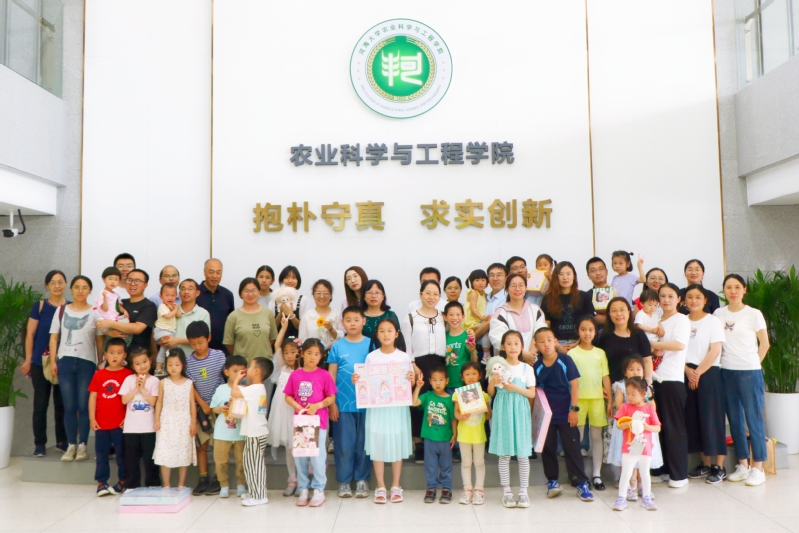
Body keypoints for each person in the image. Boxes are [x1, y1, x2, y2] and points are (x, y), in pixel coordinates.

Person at [714, 273, 770, 487]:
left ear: (744, 289)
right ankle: (743, 465)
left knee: (753, 418)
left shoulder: (753, 314)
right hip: (726, 371)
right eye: (728, 287)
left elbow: (765, 343)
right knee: (735, 419)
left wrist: (753, 363)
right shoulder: (719, 313)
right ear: (724, 290)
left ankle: (758, 468)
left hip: (749, 371)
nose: (733, 291)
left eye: (737, 287)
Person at [533, 328, 595, 503]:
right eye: (541, 341)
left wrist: (573, 410)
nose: (546, 344)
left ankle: (580, 483)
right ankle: (552, 481)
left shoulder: (565, 360)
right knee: (548, 449)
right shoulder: (537, 367)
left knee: (572, 448)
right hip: (547, 417)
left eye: (549, 340)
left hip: (567, 413)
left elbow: (574, 386)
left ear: (555, 342)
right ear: (536, 345)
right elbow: (536, 392)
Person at [358, 317, 414, 503]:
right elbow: (366, 381)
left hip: (397, 408)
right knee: (378, 443)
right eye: (382, 331)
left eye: (390, 330)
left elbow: (408, 383)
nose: (386, 334)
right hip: (378, 409)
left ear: (396, 334)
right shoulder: (372, 357)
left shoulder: (404, 357)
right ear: (377, 334)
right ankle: (380, 486)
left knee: (397, 442)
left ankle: (396, 485)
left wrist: (412, 379)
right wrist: (358, 380)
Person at [49, 275, 102, 463]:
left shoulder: (95, 312)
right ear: (71, 289)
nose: (80, 291)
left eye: (85, 287)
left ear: (90, 290)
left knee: (84, 405)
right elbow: (54, 337)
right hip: (64, 361)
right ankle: (71, 444)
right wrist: (54, 361)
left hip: (87, 363)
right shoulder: (62, 310)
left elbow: (99, 339)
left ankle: (83, 445)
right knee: (69, 406)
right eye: (77, 287)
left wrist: (100, 362)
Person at [283, 338, 337, 507]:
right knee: (300, 456)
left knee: (317, 456)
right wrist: (296, 405)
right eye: (309, 353)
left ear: (321, 356)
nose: (313, 357)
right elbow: (288, 396)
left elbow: (331, 397)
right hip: (301, 421)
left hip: (318, 422)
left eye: (316, 354)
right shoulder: (295, 375)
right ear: (302, 354)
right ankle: (303, 487)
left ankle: (319, 489)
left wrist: (318, 405)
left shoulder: (324, 375)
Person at [487, 330, 537, 508]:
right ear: (502, 346)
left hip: (521, 410)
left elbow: (531, 393)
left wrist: (514, 387)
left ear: (522, 346)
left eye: (516, 343)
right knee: (504, 453)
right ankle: (507, 491)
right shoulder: (497, 366)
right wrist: (492, 382)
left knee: (523, 454)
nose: (513, 347)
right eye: (508, 343)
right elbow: (490, 393)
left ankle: (523, 492)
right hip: (503, 410)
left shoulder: (527, 368)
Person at [683, 285, 727, 484]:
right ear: (684, 301)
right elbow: (677, 350)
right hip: (687, 371)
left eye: (698, 297)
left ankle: (719, 466)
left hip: (708, 372)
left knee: (712, 418)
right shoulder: (682, 321)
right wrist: (688, 371)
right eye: (690, 297)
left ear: (705, 300)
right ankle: (705, 464)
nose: (694, 300)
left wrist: (698, 372)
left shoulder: (713, 321)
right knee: (695, 418)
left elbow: (715, 349)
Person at [648, 283, 691, 488]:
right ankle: (661, 469)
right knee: (657, 428)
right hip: (654, 379)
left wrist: (653, 345)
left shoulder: (681, 319)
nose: (666, 300)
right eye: (662, 296)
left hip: (672, 380)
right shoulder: (654, 320)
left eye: (670, 296)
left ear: (678, 299)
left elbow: (679, 344)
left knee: (674, 429)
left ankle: (679, 475)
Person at [327, 306, 372, 499]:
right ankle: (344, 481)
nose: (352, 323)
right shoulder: (337, 346)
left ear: (364, 321)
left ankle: (362, 480)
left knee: (363, 444)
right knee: (344, 445)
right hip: (342, 404)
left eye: (356, 319)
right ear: (342, 323)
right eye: (348, 320)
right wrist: (332, 403)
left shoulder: (371, 344)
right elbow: (331, 376)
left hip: (367, 404)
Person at [23, 270, 68, 457]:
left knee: (62, 405)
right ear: (47, 286)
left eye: (60, 282)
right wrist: (28, 359)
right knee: (40, 405)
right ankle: (40, 443)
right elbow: (30, 334)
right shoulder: (40, 306)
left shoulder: (71, 307)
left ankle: (62, 441)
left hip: (63, 363)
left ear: (65, 284)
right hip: (39, 363)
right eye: (53, 282)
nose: (57, 286)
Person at [400, 279, 447, 463]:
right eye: (428, 293)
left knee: (437, 404)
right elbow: (406, 345)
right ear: (420, 295)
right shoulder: (410, 318)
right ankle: (419, 446)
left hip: (439, 363)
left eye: (435, 294)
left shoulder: (443, 316)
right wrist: (412, 364)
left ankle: (437, 442)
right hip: (418, 364)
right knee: (418, 404)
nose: (431, 297)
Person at [608, 356, 663, 500]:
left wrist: (644, 403)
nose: (635, 372)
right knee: (626, 456)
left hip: (644, 427)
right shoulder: (621, 386)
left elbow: (652, 406)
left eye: (638, 369)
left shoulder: (646, 387)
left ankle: (641, 485)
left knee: (643, 456)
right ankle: (628, 486)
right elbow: (618, 404)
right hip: (627, 426)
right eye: (631, 369)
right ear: (625, 372)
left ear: (643, 371)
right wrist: (633, 406)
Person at [568, 317, 611, 490]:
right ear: (578, 331)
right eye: (583, 329)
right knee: (577, 438)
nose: (587, 333)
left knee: (596, 438)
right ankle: (579, 475)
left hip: (597, 400)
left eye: (590, 330)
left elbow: (605, 377)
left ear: (595, 332)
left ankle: (597, 475)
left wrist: (609, 401)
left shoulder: (600, 353)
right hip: (578, 401)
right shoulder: (572, 353)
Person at [186, 320, 226, 495]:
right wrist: (202, 404)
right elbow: (190, 386)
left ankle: (218, 478)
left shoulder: (219, 356)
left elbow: (225, 379)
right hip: (200, 409)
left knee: (218, 444)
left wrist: (217, 403)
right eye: (193, 343)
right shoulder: (188, 361)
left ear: (209, 338)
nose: (197, 346)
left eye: (200, 342)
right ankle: (203, 478)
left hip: (219, 408)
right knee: (201, 445)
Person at [88, 338, 133, 496]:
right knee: (101, 454)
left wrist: (128, 418)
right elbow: (93, 397)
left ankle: (123, 481)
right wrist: (92, 418)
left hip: (120, 424)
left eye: (119, 353)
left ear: (125, 355)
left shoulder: (129, 375)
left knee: (122, 454)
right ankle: (102, 483)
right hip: (101, 424)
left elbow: (132, 399)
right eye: (111, 352)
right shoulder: (99, 375)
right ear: (105, 354)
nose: (115, 356)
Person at [230, 356, 274, 507]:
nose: (246, 369)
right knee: (251, 464)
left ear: (256, 371)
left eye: (250, 366)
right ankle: (255, 492)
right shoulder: (257, 388)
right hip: (255, 431)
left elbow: (234, 393)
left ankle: (259, 496)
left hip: (255, 432)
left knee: (254, 465)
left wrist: (237, 379)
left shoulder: (254, 389)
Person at [153, 348, 197, 488]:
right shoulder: (163, 382)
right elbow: (159, 402)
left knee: (183, 451)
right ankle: (166, 484)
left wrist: (193, 423)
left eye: (177, 364)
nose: (173, 367)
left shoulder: (189, 383)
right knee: (165, 451)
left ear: (183, 364)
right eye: (170, 364)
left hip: (184, 421)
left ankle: (181, 484)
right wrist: (157, 419)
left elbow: (192, 404)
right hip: (167, 420)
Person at [412, 367, 456, 504]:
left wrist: (455, 434)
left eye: (441, 380)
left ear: (447, 381)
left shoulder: (451, 399)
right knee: (430, 465)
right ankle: (431, 488)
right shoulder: (428, 396)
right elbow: (414, 402)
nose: (438, 383)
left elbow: (453, 418)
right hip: (429, 438)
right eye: (435, 380)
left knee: (446, 465)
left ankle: (446, 488)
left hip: (445, 438)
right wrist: (418, 387)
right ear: (430, 381)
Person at [120, 347, 161, 491]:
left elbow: (153, 402)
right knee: (131, 459)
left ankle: (153, 484)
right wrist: (136, 388)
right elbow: (124, 400)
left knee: (150, 458)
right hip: (131, 428)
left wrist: (143, 389)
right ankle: (132, 485)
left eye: (144, 361)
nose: (142, 366)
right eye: (137, 364)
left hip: (149, 427)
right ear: (132, 366)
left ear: (150, 360)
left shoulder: (155, 381)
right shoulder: (129, 379)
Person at [268, 319, 301, 496]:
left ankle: (303, 480)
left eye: (293, 352)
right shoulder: (283, 368)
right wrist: (284, 327)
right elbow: (277, 345)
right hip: (283, 411)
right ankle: (292, 479)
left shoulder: (303, 370)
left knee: (300, 446)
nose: (289, 356)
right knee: (289, 446)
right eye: (286, 352)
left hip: (298, 411)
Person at [452, 362, 491, 505]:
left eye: (474, 374)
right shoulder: (458, 394)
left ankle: (479, 490)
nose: (471, 377)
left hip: (479, 435)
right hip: (464, 434)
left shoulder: (484, 395)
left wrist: (485, 406)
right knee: (466, 463)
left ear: (480, 376)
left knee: (479, 463)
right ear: (462, 377)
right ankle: (467, 489)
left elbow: (488, 416)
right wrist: (461, 417)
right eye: (467, 374)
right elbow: (456, 413)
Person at [210, 355, 249, 498]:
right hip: (222, 433)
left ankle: (241, 484)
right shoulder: (221, 389)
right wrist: (222, 409)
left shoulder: (247, 389)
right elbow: (213, 408)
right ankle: (224, 485)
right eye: (235, 371)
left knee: (241, 461)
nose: (238, 374)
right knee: (220, 461)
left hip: (240, 432)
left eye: (242, 371)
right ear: (227, 372)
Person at [488, 273, 547, 364]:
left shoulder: (536, 310)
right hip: (508, 363)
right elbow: (498, 340)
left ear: (526, 288)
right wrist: (523, 354)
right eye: (513, 285)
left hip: (534, 361)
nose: (517, 289)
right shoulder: (500, 313)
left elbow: (540, 333)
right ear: (507, 289)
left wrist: (531, 356)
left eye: (521, 285)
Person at [97, 269, 157, 354]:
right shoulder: (121, 303)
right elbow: (102, 321)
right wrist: (109, 332)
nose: (132, 283)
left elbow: (137, 328)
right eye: (129, 280)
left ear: (145, 285)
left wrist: (111, 324)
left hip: (138, 356)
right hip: (116, 356)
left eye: (137, 281)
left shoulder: (148, 306)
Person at [596, 297, 653, 383]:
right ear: (609, 314)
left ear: (629, 312)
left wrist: (648, 381)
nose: (618, 314)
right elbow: (600, 364)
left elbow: (647, 360)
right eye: (614, 311)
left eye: (622, 310)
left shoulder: (639, 334)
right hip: (613, 385)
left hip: (636, 386)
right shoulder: (604, 336)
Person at [541, 261, 595, 353]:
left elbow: (590, 324)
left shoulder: (584, 296)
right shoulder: (548, 298)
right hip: (555, 345)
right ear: (556, 277)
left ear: (574, 276)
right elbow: (546, 327)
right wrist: (557, 346)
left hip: (580, 342)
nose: (565, 277)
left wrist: (578, 343)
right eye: (561, 274)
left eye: (568, 274)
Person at [223, 277, 278, 363]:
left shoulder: (268, 313)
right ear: (240, 294)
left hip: (265, 365)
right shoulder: (233, 316)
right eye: (246, 291)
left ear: (259, 292)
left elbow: (271, 338)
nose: (250, 294)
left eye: (254, 290)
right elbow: (229, 343)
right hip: (243, 365)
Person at [157, 279, 211, 359]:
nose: (186, 292)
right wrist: (162, 339)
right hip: (171, 361)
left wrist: (177, 341)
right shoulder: (169, 309)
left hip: (193, 360)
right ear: (179, 293)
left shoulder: (203, 314)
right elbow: (160, 328)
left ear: (197, 293)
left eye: (190, 289)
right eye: (183, 289)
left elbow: (204, 339)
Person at [196, 259, 235, 354]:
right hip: (199, 349)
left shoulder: (228, 295)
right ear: (204, 272)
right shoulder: (195, 293)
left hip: (224, 350)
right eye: (211, 272)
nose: (214, 276)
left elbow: (231, 322)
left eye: (218, 272)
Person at [474, 263, 508, 357]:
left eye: (499, 275)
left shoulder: (507, 299)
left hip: (495, 350)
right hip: (476, 349)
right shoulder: (484, 297)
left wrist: (470, 340)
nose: (495, 278)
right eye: (491, 275)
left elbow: (490, 322)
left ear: (506, 278)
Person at [299, 279, 343, 349]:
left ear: (331, 296)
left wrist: (332, 330)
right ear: (313, 295)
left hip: (334, 354)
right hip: (313, 354)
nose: (322, 296)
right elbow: (302, 341)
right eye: (318, 293)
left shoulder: (337, 315)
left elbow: (343, 337)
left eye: (326, 293)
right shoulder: (306, 317)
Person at [444, 302, 477, 391]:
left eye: (458, 314)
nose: (455, 318)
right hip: (448, 384)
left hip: (465, 384)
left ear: (463, 316)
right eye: (451, 314)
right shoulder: (443, 337)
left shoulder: (468, 336)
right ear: (445, 317)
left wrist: (473, 351)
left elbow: (474, 361)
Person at [153, 283, 182, 377]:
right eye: (167, 295)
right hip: (161, 330)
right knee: (172, 349)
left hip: (169, 331)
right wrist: (175, 309)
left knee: (163, 351)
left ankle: (159, 369)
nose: (170, 297)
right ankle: (166, 368)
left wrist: (174, 308)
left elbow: (179, 315)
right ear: (161, 296)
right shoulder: (162, 306)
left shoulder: (173, 306)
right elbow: (168, 316)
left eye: (173, 295)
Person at [275, 265, 311, 338]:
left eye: (294, 278)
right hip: (278, 341)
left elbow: (304, 328)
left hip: (297, 342)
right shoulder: (275, 299)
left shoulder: (303, 299)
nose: (290, 281)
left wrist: (291, 315)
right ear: (282, 280)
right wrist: (280, 314)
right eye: (286, 277)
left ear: (298, 280)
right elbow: (272, 328)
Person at [586, 257, 612, 326]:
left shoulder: (616, 292)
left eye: (601, 269)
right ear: (588, 276)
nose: (598, 273)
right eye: (593, 270)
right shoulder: (585, 296)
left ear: (607, 272)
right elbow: (589, 317)